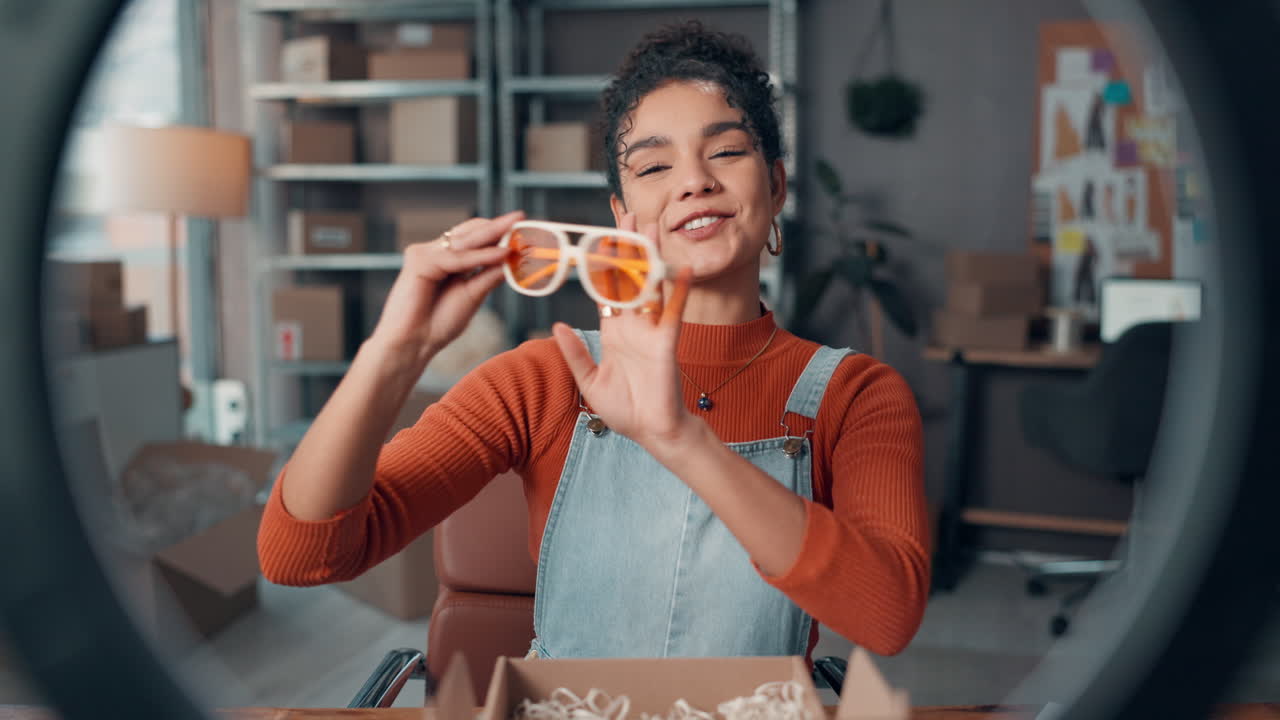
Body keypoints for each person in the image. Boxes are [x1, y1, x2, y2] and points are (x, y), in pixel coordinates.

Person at [258, 21, 929, 662]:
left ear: (775, 185)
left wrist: (679, 439)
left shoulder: (855, 395)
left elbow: (887, 615)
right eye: (653, 167)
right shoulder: (544, 378)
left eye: (726, 151)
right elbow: (301, 554)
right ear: (621, 218)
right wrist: (394, 352)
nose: (694, 181)